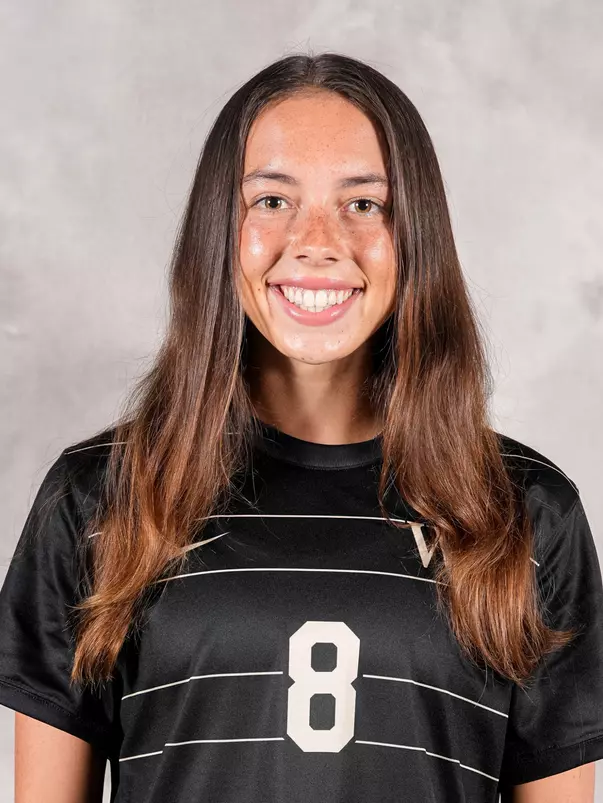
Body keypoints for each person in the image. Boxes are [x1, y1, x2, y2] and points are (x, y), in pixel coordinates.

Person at [0, 52, 602, 803]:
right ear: (219, 230)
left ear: (414, 235)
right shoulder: (102, 498)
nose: (316, 240)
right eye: (272, 200)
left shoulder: (524, 511)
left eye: (363, 204)